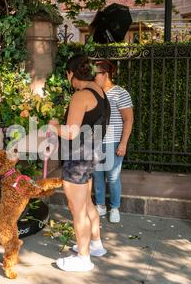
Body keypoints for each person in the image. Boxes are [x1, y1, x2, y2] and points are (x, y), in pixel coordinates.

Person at [49, 54, 110, 272]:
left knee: (77, 209)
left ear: (71, 73)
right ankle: (96, 245)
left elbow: (71, 132)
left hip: (79, 157)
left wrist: (53, 126)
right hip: (91, 155)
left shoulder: (80, 96)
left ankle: (83, 258)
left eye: (67, 74)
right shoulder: (100, 91)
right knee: (87, 204)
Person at [93, 60, 134, 223]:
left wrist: (123, 143)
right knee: (97, 176)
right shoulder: (94, 93)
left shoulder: (120, 93)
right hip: (96, 142)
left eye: (95, 73)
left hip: (113, 142)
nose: (93, 76)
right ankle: (100, 205)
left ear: (105, 74)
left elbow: (129, 120)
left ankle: (115, 207)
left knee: (113, 177)